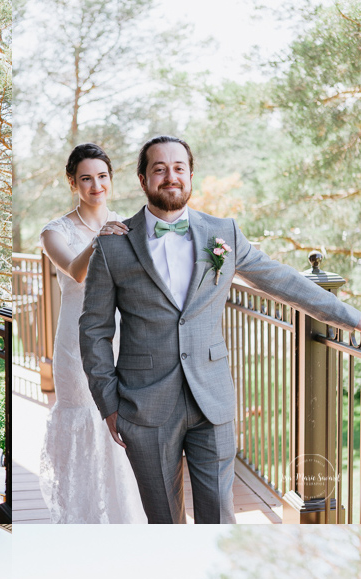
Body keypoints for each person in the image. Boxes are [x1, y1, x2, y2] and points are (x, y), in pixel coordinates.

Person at [79, 135, 361, 523]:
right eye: (159, 169)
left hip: (212, 401)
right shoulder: (113, 247)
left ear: (191, 176)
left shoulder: (222, 234)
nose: (170, 177)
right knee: (164, 520)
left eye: (179, 168)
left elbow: (282, 280)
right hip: (144, 406)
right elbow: (93, 330)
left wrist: (354, 318)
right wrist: (108, 403)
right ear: (143, 180)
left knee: (220, 518)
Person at [39, 144, 146, 523]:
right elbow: (75, 271)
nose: (96, 185)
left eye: (102, 177)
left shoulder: (128, 223)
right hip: (74, 341)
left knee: (121, 421)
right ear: (73, 183)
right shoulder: (55, 231)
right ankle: (84, 517)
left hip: (120, 335)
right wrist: (100, 237)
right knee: (85, 418)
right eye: (86, 178)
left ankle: (126, 515)